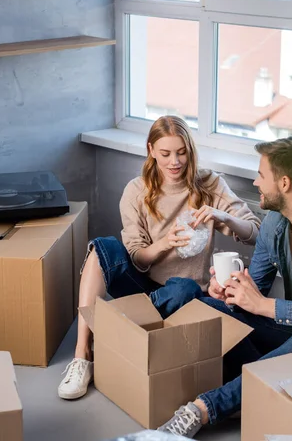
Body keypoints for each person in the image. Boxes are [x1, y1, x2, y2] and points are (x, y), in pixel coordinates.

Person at [158, 137, 292, 439]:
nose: (255, 181)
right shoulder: (274, 223)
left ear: (284, 183)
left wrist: (264, 306)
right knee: (210, 307)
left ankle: (202, 409)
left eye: (261, 175)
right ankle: (251, 391)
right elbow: (254, 292)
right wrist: (229, 293)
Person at [58, 115, 261, 400]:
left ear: (190, 150)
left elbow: (254, 232)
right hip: (144, 286)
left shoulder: (210, 184)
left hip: (189, 295)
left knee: (184, 287)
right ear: (151, 150)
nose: (174, 162)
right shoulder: (136, 191)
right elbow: (138, 259)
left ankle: (122, 327)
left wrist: (222, 215)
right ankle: (82, 355)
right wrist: (165, 244)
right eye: (165, 154)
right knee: (101, 247)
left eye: (181, 152)